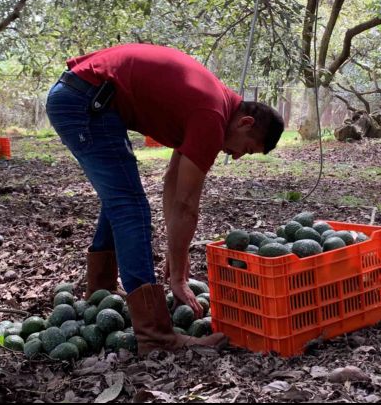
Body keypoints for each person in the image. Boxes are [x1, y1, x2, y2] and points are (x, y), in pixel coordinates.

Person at [45, 43, 285, 355]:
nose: (237, 156)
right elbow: (186, 205)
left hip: (84, 95)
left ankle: (100, 292)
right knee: (130, 208)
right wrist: (180, 276)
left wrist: (176, 256)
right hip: (85, 101)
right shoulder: (211, 115)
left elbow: (173, 184)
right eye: (247, 148)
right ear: (246, 123)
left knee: (121, 199)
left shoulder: (211, 105)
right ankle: (155, 334)